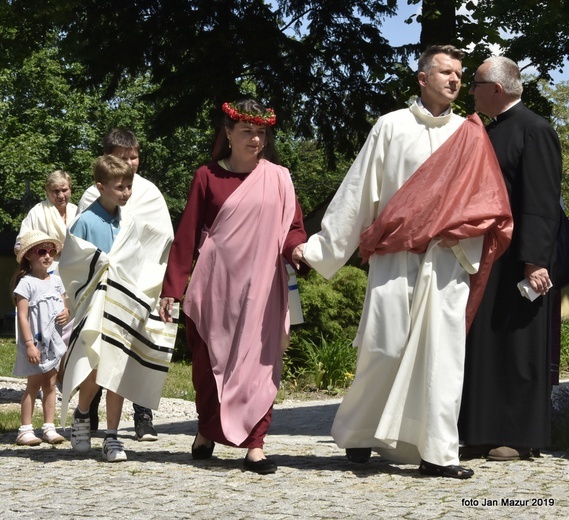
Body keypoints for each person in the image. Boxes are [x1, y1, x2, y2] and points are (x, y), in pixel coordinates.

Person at [294, 45, 513, 479]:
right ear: (422, 77)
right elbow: (359, 192)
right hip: (395, 255)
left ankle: (438, 453)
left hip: (447, 259)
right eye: (445, 72)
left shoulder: (470, 133)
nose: (454, 81)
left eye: (459, 75)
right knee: (384, 346)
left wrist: (465, 233)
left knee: (443, 356)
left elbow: (489, 200)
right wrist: (320, 248)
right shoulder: (390, 126)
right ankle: (359, 433)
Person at [159, 98, 308, 475]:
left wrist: (299, 251)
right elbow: (187, 236)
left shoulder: (279, 177)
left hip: (262, 290)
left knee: (261, 365)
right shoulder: (207, 176)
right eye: (247, 131)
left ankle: (255, 445)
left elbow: (292, 230)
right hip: (216, 289)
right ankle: (207, 430)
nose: (255, 139)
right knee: (209, 367)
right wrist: (172, 290)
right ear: (228, 133)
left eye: (261, 132)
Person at [458, 57, 562, 461]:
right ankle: (481, 431)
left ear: (496, 90)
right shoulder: (492, 130)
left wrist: (534, 260)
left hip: (520, 259)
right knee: (486, 344)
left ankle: (518, 436)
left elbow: (540, 203)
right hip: (489, 255)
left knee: (518, 347)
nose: (470, 91)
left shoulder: (534, 130)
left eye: (476, 84)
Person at [58, 155, 177, 462]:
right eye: (119, 187)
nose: (126, 193)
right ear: (101, 187)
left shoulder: (128, 221)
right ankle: (83, 413)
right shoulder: (84, 222)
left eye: (128, 186)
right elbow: (72, 265)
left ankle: (112, 437)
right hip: (94, 307)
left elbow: (137, 260)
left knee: (118, 370)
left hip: (122, 306)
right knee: (95, 367)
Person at [12, 230, 69, 446]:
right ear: (29, 255)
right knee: (33, 384)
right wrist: (28, 345)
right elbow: (23, 316)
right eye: (42, 251)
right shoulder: (26, 283)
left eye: (51, 251)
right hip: (35, 343)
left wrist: (66, 312)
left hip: (53, 342)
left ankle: (49, 427)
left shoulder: (56, 280)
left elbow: (63, 304)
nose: (48, 256)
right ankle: (25, 429)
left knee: (51, 384)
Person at [14, 170, 77, 269]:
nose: (61, 196)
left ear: (70, 190)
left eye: (64, 190)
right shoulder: (37, 212)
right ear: (47, 191)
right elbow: (18, 247)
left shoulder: (76, 212)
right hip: (45, 273)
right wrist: (49, 250)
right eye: (55, 191)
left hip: (75, 271)